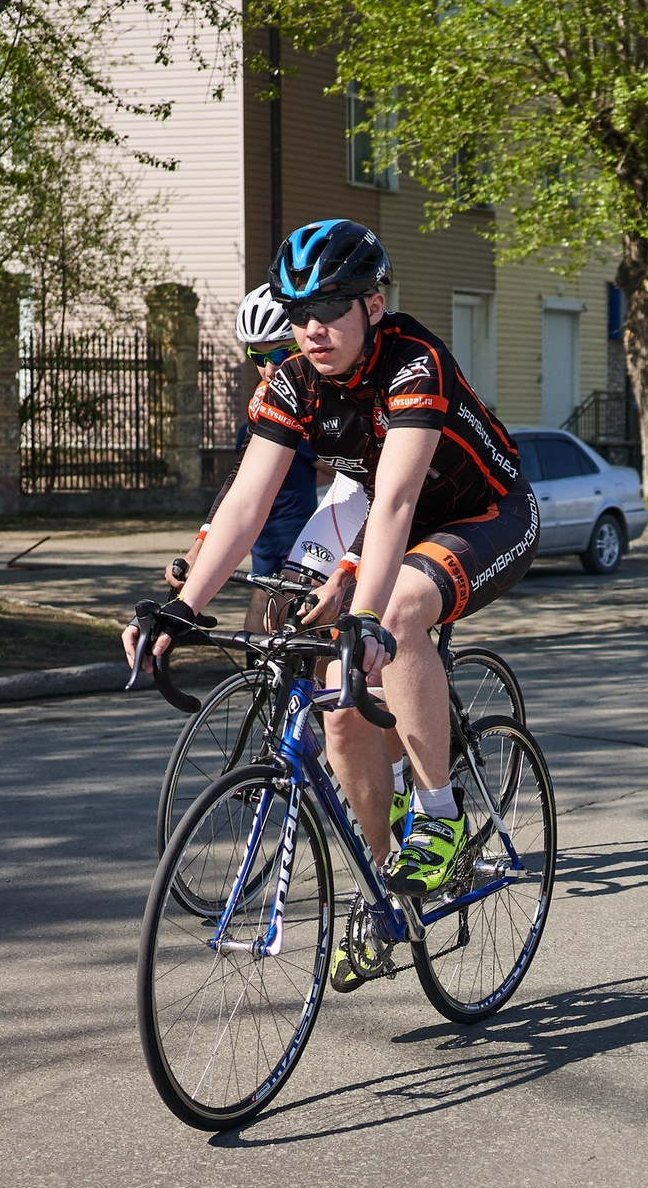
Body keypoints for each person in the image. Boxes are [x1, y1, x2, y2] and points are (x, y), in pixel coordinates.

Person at [126, 219, 539, 915]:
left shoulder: (414, 362)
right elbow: (246, 504)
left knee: (396, 613)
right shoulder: (292, 383)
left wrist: (366, 613)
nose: (311, 330)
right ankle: (384, 895)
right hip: (394, 527)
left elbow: (400, 500)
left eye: (327, 309)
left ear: (372, 305)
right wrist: (183, 607)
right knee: (340, 707)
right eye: (298, 314)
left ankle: (440, 811)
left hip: (485, 516)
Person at [167, 291, 323, 631]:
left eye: (283, 353)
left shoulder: (333, 388)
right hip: (289, 518)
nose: (269, 369)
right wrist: (198, 549)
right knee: (276, 597)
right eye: (258, 355)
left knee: (357, 617)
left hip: (380, 498)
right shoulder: (266, 398)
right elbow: (239, 480)